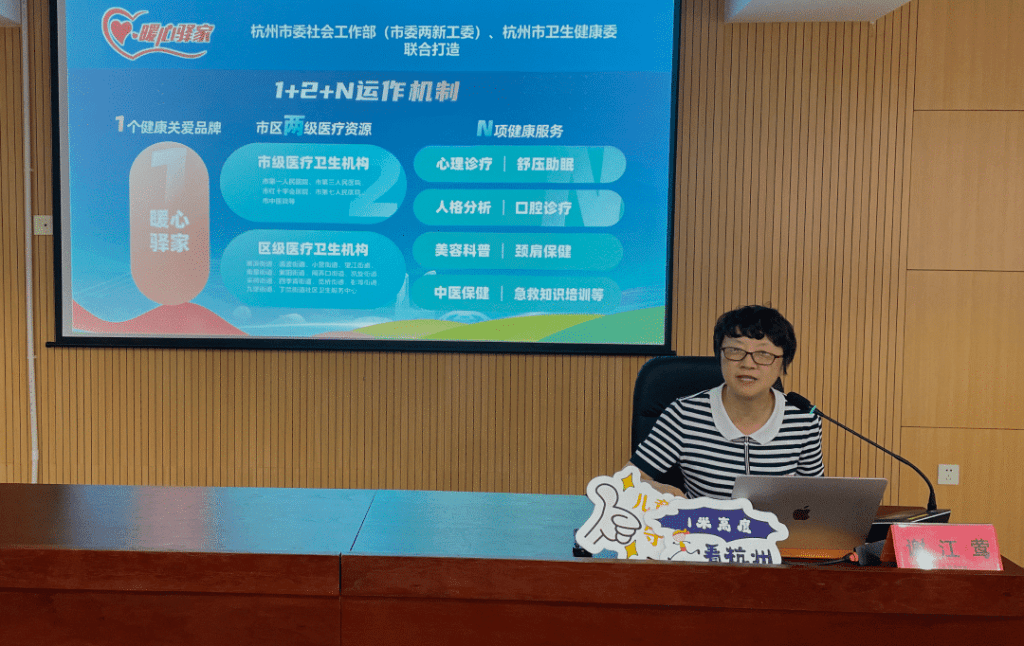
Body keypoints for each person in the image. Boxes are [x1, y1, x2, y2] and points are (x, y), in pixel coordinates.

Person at [629, 305, 824, 499]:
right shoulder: (683, 415)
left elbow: (815, 498)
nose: (748, 364)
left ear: (783, 363)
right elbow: (624, 482)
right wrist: (656, 491)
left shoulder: (804, 420)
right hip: (701, 520)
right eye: (735, 350)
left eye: (763, 354)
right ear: (720, 355)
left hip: (776, 521)